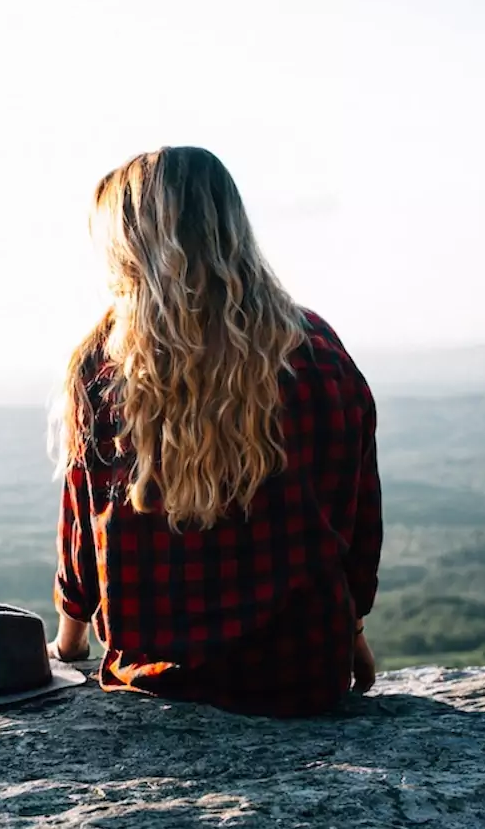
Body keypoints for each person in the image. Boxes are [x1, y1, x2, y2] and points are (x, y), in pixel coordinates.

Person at [49, 146, 382, 717]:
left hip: (156, 683)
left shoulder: (104, 365)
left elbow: (85, 534)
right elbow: (352, 516)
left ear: (129, 250)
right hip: (301, 674)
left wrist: (68, 647)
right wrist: (351, 636)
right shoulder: (316, 351)